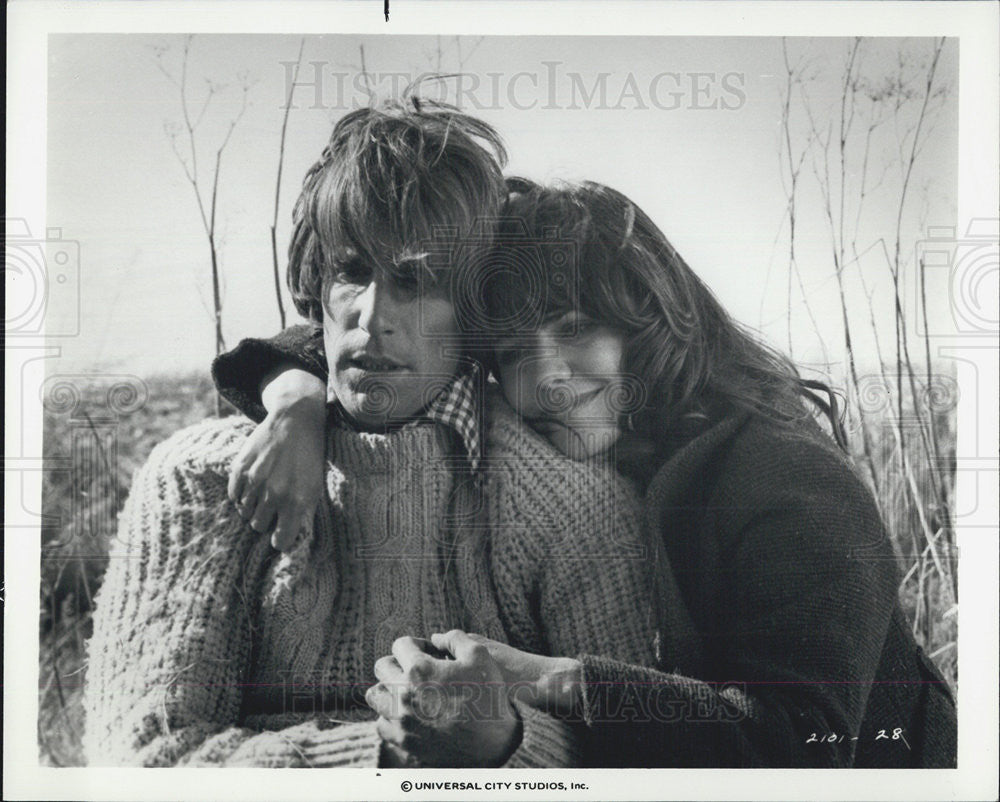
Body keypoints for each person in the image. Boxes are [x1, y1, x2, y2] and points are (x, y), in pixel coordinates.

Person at [217, 178, 958, 768]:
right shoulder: (594, 446)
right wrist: (296, 402)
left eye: (576, 329)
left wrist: (548, 679)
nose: (547, 380)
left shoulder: (780, 478)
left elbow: (804, 748)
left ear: (651, 322)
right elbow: (371, 336)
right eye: (511, 348)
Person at [83, 101, 673, 768]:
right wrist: (385, 754)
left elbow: (637, 760)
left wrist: (509, 745)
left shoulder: (574, 504)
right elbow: (139, 761)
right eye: (352, 270)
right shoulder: (198, 482)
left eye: (415, 281)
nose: (373, 314)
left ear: (474, 310)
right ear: (317, 283)